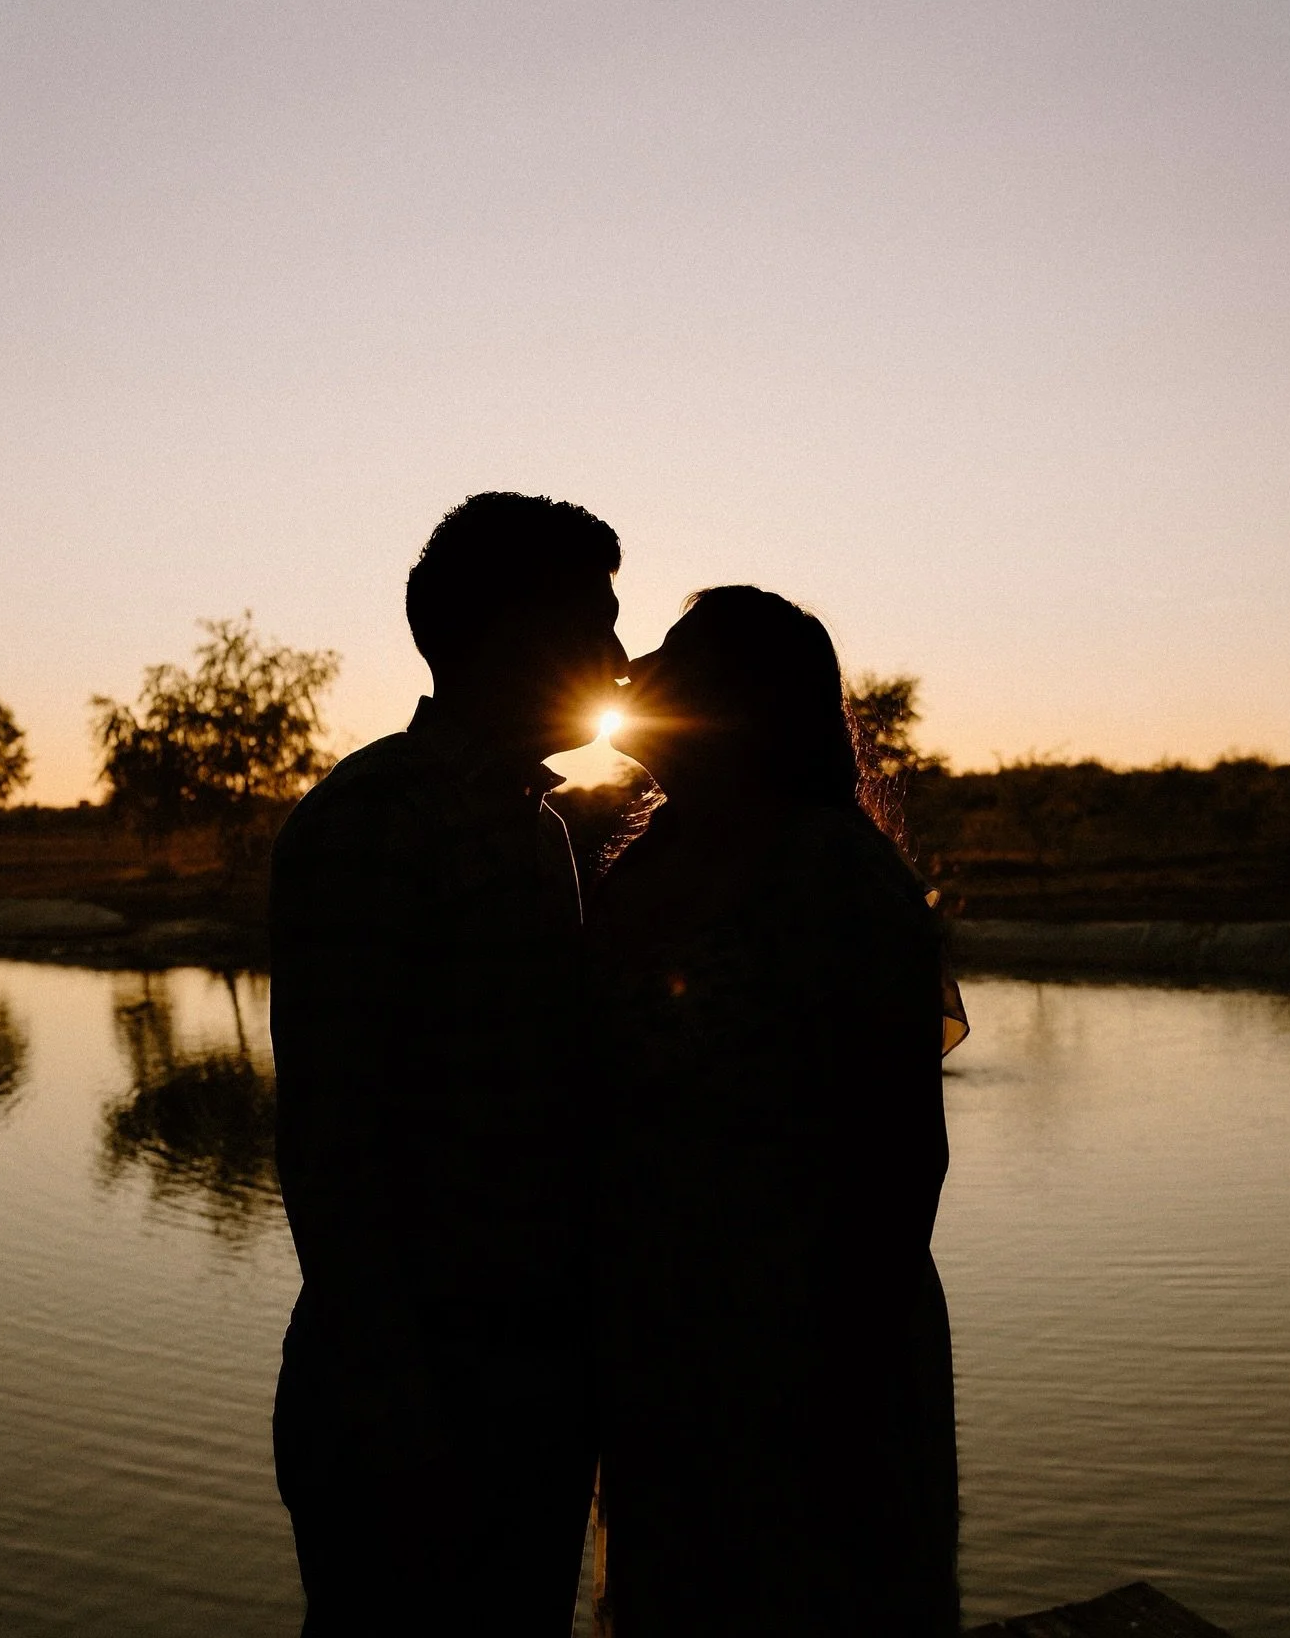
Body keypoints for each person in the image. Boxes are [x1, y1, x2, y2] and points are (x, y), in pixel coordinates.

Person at [270, 492, 627, 1636]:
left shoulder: (536, 824)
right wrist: (396, 1404)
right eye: (597, 622)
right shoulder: (376, 821)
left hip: (523, 1380)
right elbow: (334, 1139)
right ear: (516, 636)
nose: (619, 659)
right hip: (418, 1389)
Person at [594, 585, 964, 1638]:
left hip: (808, 1358)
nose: (631, 675)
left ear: (734, 703)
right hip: (676, 1344)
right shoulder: (668, 855)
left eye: (667, 656)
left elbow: (897, 1165)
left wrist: (822, 1375)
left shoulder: (828, 875)